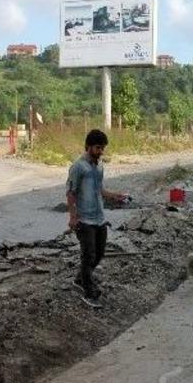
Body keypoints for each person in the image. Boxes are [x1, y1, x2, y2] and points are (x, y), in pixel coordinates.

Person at [66, 129, 127, 308]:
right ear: (88, 146)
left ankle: (80, 280)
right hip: (85, 221)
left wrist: (115, 195)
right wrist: (72, 217)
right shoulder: (78, 167)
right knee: (88, 255)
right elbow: (70, 192)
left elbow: (99, 189)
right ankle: (88, 293)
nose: (101, 151)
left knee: (99, 254)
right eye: (98, 148)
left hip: (100, 219)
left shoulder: (99, 166)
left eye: (103, 148)